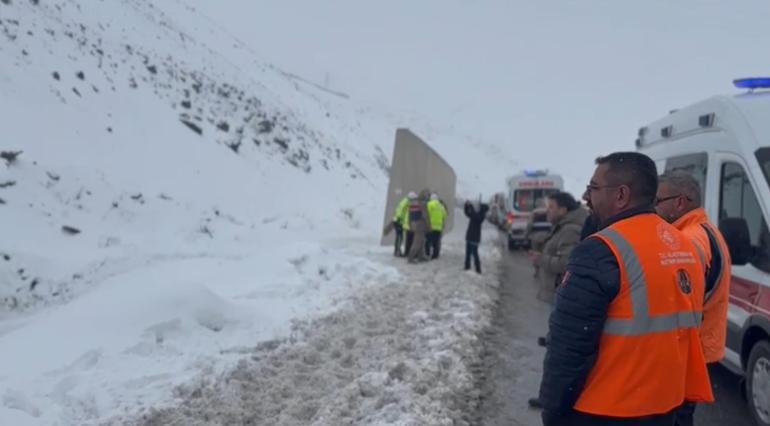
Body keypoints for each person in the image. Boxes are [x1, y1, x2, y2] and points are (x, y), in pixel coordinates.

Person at [538, 152, 713, 426]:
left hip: (607, 410)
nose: (587, 197)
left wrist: (553, 413)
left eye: (594, 188)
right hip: (665, 406)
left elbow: (569, 348)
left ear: (621, 195)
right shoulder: (683, 246)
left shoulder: (600, 251)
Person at [655, 172, 732, 426]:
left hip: (685, 352)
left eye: (658, 200)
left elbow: (681, 304)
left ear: (680, 202)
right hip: (697, 346)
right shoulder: (705, 230)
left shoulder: (687, 241)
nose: (653, 208)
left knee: (676, 416)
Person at [530, 192, 589, 304]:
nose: (547, 211)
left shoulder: (570, 230)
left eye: (551, 207)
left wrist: (540, 259)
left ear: (563, 209)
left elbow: (566, 263)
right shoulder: (563, 227)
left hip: (562, 296)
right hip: (559, 294)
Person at [464, 199, 489, 273]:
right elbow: (468, 214)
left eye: (479, 207)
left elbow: (474, 215)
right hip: (470, 236)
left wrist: (471, 206)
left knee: (475, 254)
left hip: (474, 238)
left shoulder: (481, 216)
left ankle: (478, 269)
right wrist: (466, 206)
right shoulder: (478, 214)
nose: (478, 207)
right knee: (468, 253)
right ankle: (467, 267)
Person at [407, 189, 431, 263]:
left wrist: (410, 225)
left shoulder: (412, 204)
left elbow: (410, 217)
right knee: (418, 241)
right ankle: (411, 258)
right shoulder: (422, 204)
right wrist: (429, 225)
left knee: (421, 241)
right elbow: (425, 215)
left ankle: (421, 256)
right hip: (420, 224)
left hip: (414, 224)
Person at [426, 194, 448, 259]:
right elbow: (445, 215)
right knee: (436, 242)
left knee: (428, 241)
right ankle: (435, 255)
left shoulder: (429, 204)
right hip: (438, 227)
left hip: (430, 226)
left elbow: (426, 214)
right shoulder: (441, 206)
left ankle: (427, 254)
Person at [403, 191, 418, 257]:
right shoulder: (413, 205)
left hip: (408, 225)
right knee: (412, 241)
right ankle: (412, 254)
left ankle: (407, 253)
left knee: (409, 240)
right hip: (411, 225)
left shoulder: (407, 204)